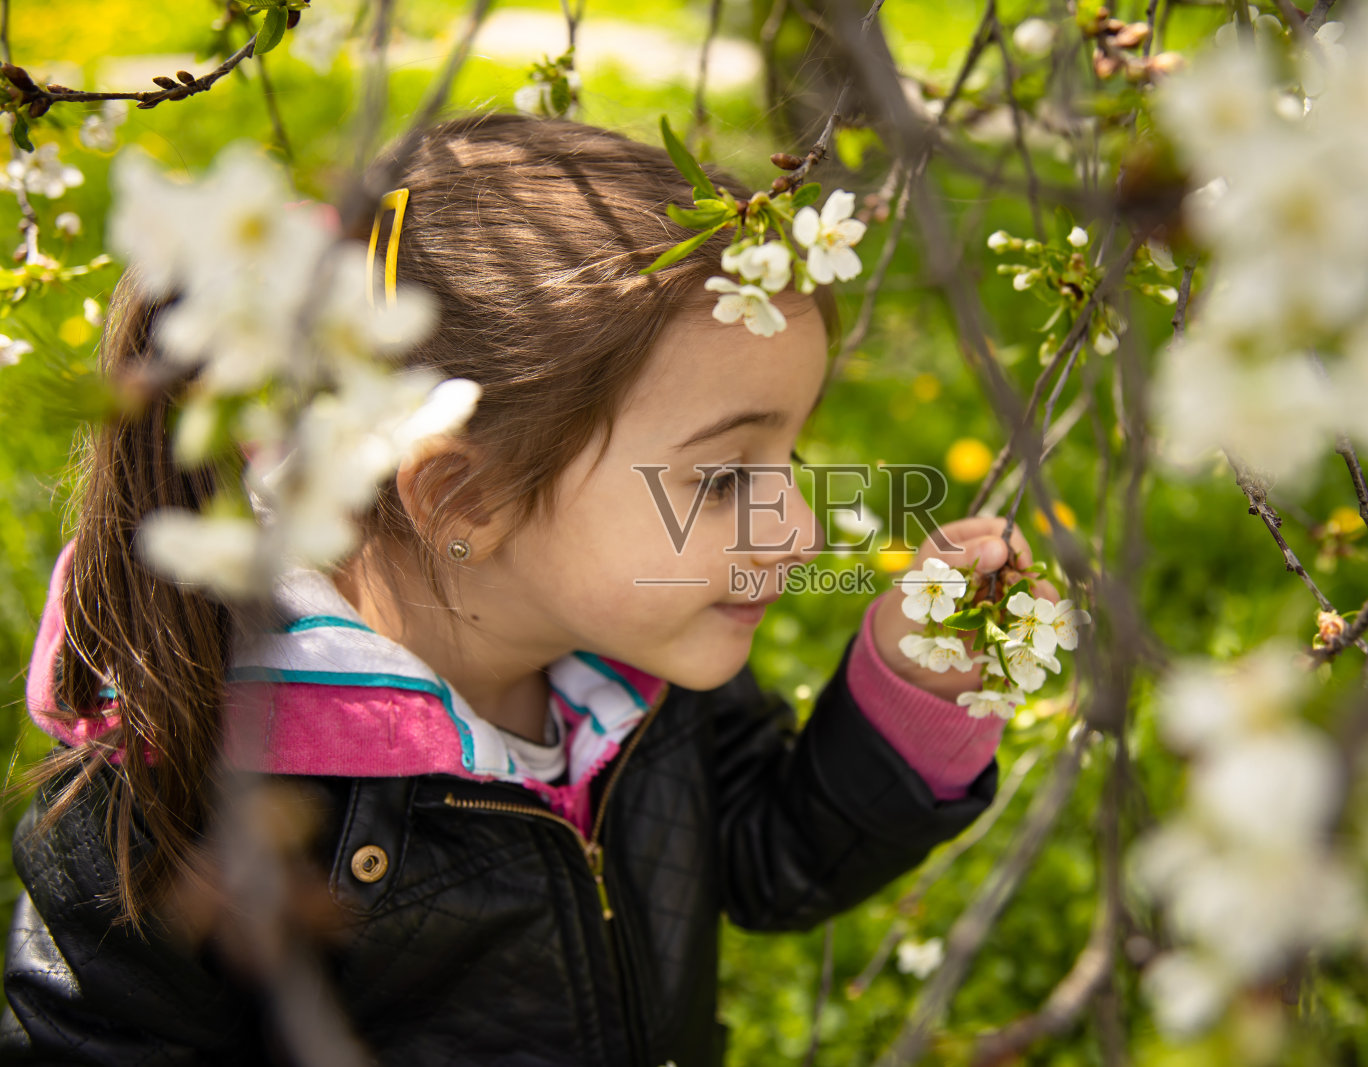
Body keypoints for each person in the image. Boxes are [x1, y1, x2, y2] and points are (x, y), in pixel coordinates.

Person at [0, 113, 1054, 1065]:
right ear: (463, 498)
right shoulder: (180, 801)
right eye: (727, 475)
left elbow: (770, 857)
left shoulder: (640, 682)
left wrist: (918, 686)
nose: (801, 525)